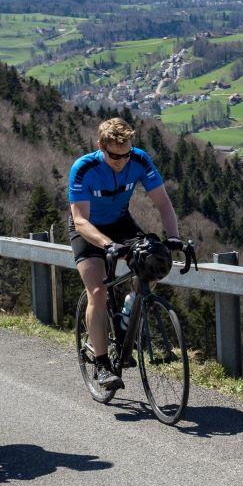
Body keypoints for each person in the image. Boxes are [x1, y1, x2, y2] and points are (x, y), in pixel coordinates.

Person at [68, 117, 182, 392]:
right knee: (97, 292)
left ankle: (126, 314)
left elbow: (163, 203)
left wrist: (174, 237)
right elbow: (80, 220)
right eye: (114, 155)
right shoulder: (84, 168)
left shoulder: (139, 160)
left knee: (154, 262)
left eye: (126, 154)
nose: (121, 160)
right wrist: (107, 245)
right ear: (101, 146)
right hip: (88, 229)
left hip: (121, 223)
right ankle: (102, 363)